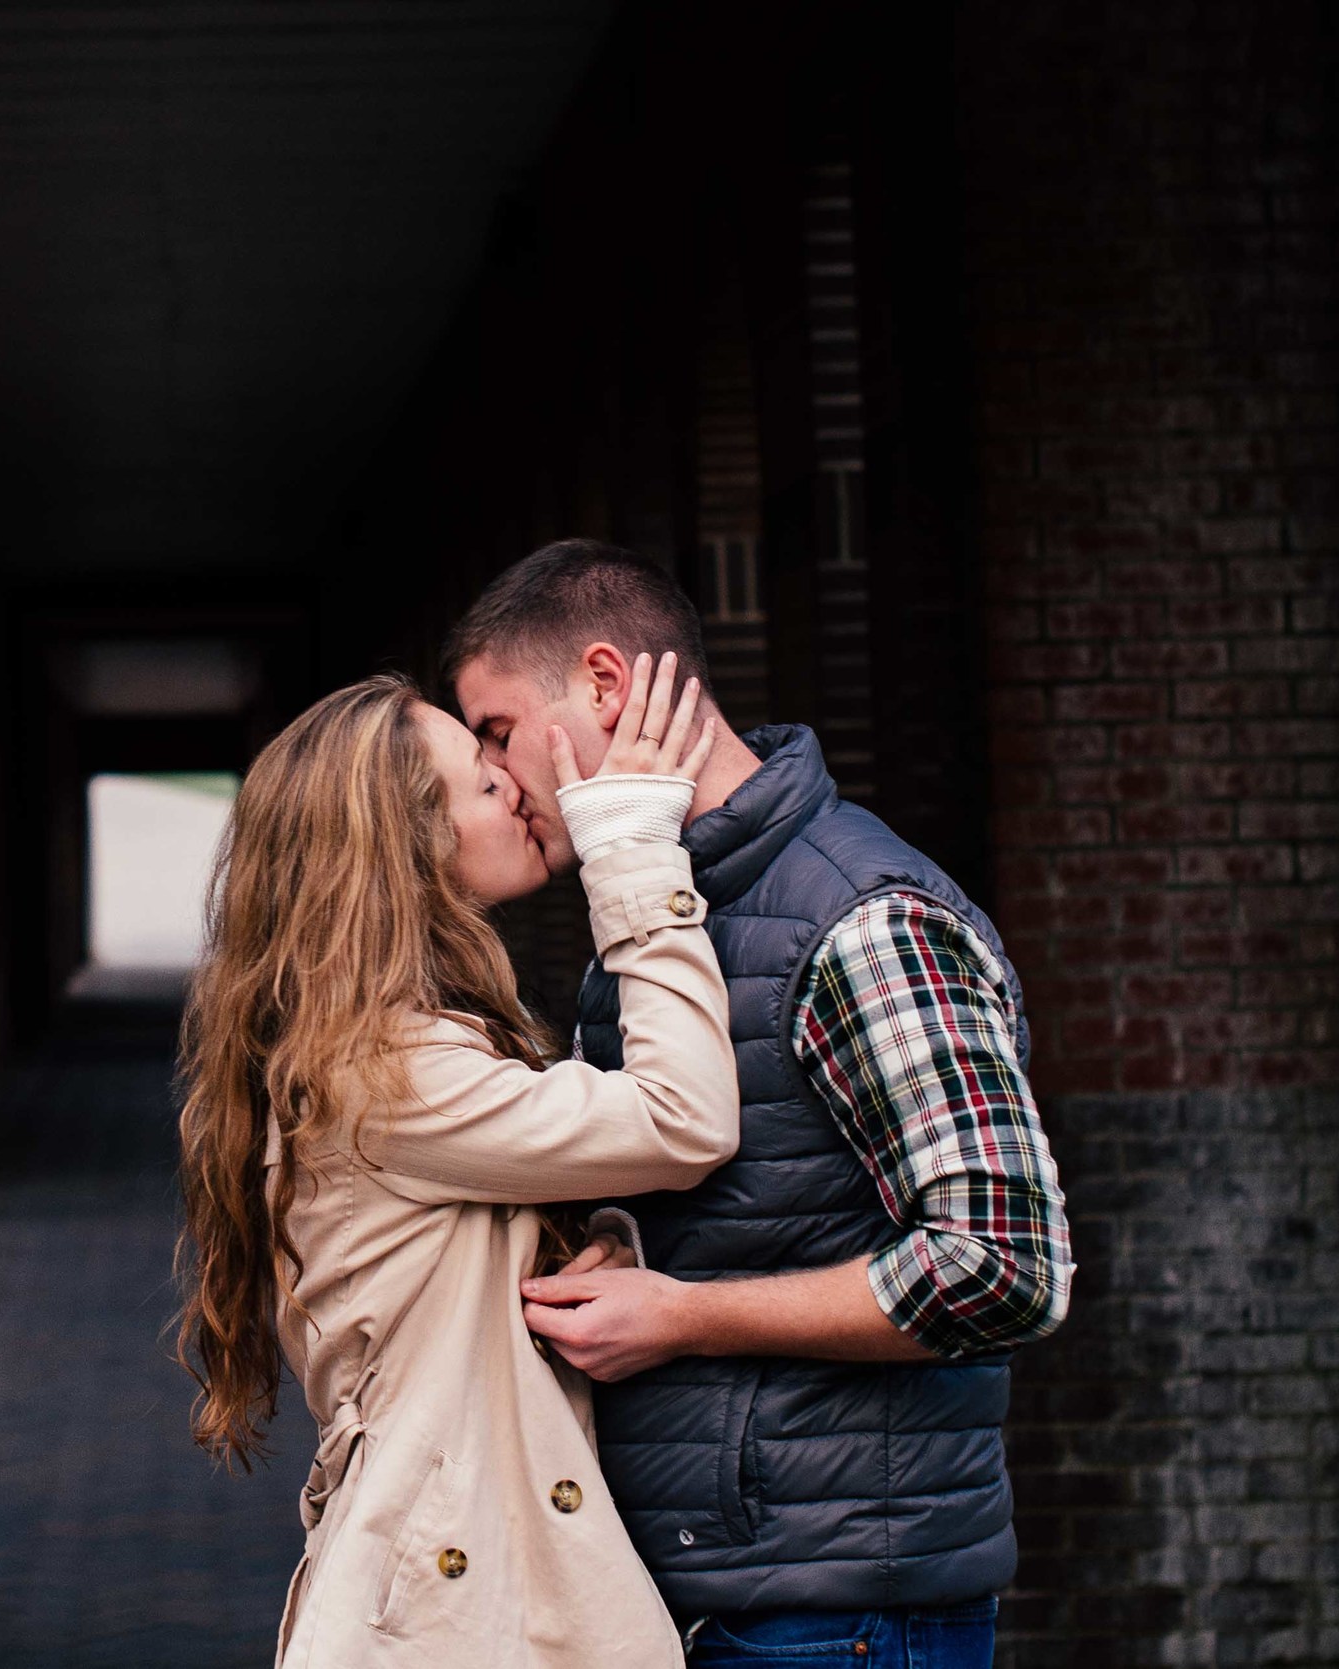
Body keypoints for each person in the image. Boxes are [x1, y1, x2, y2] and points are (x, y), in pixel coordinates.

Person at [445, 539, 1073, 1667]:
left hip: (840, 1614)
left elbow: (1005, 1269)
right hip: (733, 1587)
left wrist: (684, 1314)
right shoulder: (667, 907)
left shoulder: (861, 918)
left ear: (601, 685)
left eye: (495, 733)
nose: (496, 779)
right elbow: (747, 1201)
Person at [174, 661, 742, 1667]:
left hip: (450, 1592)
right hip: (450, 1610)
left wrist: (590, 1240)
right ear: (412, 847)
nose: (512, 782)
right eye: (481, 776)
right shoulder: (388, 1070)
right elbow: (682, 1118)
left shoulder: (380, 1045)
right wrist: (632, 847)